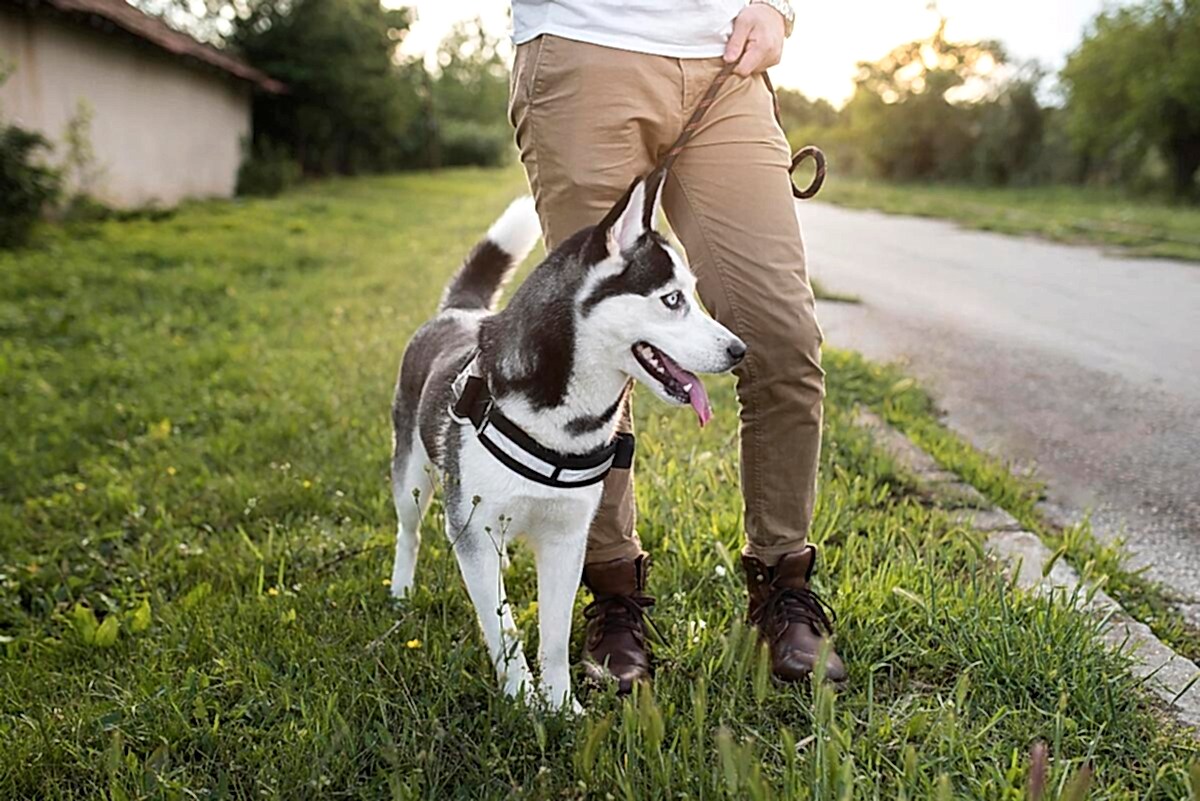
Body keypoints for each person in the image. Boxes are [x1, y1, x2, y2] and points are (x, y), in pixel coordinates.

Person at [507, 0, 846, 690]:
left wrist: (777, 8)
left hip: (725, 62)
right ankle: (613, 594)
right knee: (597, 345)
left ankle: (782, 581)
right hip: (581, 44)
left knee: (779, 332)